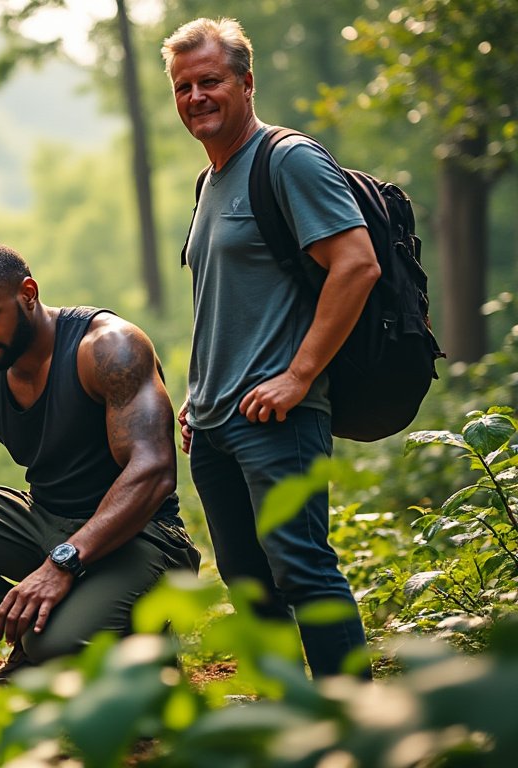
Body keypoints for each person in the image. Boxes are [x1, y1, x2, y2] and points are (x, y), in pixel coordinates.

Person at [162, 18, 380, 678]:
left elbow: (357, 264)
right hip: (217, 424)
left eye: (211, 81)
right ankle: (294, 725)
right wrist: (198, 396)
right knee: (248, 584)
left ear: (247, 83)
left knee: (304, 571)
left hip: (279, 418)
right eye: (183, 86)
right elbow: (229, 304)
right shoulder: (210, 183)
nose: (195, 96)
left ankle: (356, 730)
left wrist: (298, 375)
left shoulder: (287, 159)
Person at [0, 244, 200, 682]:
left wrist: (61, 564)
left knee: (57, 644)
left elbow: (154, 471)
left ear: (28, 292)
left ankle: (129, 648)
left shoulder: (107, 348)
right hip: (46, 520)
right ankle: (35, 642)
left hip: (141, 535)